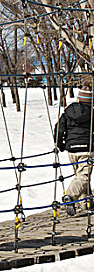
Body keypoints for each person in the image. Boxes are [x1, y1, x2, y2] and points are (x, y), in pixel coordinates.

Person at [55, 79, 94, 216]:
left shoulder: (68, 112)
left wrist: (59, 144)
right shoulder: (92, 113)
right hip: (87, 149)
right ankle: (70, 197)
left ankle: (86, 203)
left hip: (72, 149)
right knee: (83, 177)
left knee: (80, 176)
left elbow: (59, 128)